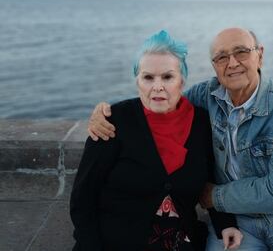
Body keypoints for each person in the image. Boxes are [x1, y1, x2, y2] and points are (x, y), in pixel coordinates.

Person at [88, 28, 273, 250]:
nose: (232, 63)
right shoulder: (204, 97)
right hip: (236, 217)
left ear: (260, 55)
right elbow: (160, 97)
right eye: (221, 57)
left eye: (241, 52)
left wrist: (214, 197)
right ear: (214, 66)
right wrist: (108, 113)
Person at [70, 30, 242, 251]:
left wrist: (225, 224)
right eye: (148, 77)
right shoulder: (113, 122)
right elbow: (83, 196)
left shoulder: (200, 122)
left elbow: (212, 176)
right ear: (137, 81)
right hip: (116, 241)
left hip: (181, 240)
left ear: (181, 81)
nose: (157, 86)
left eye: (167, 77)